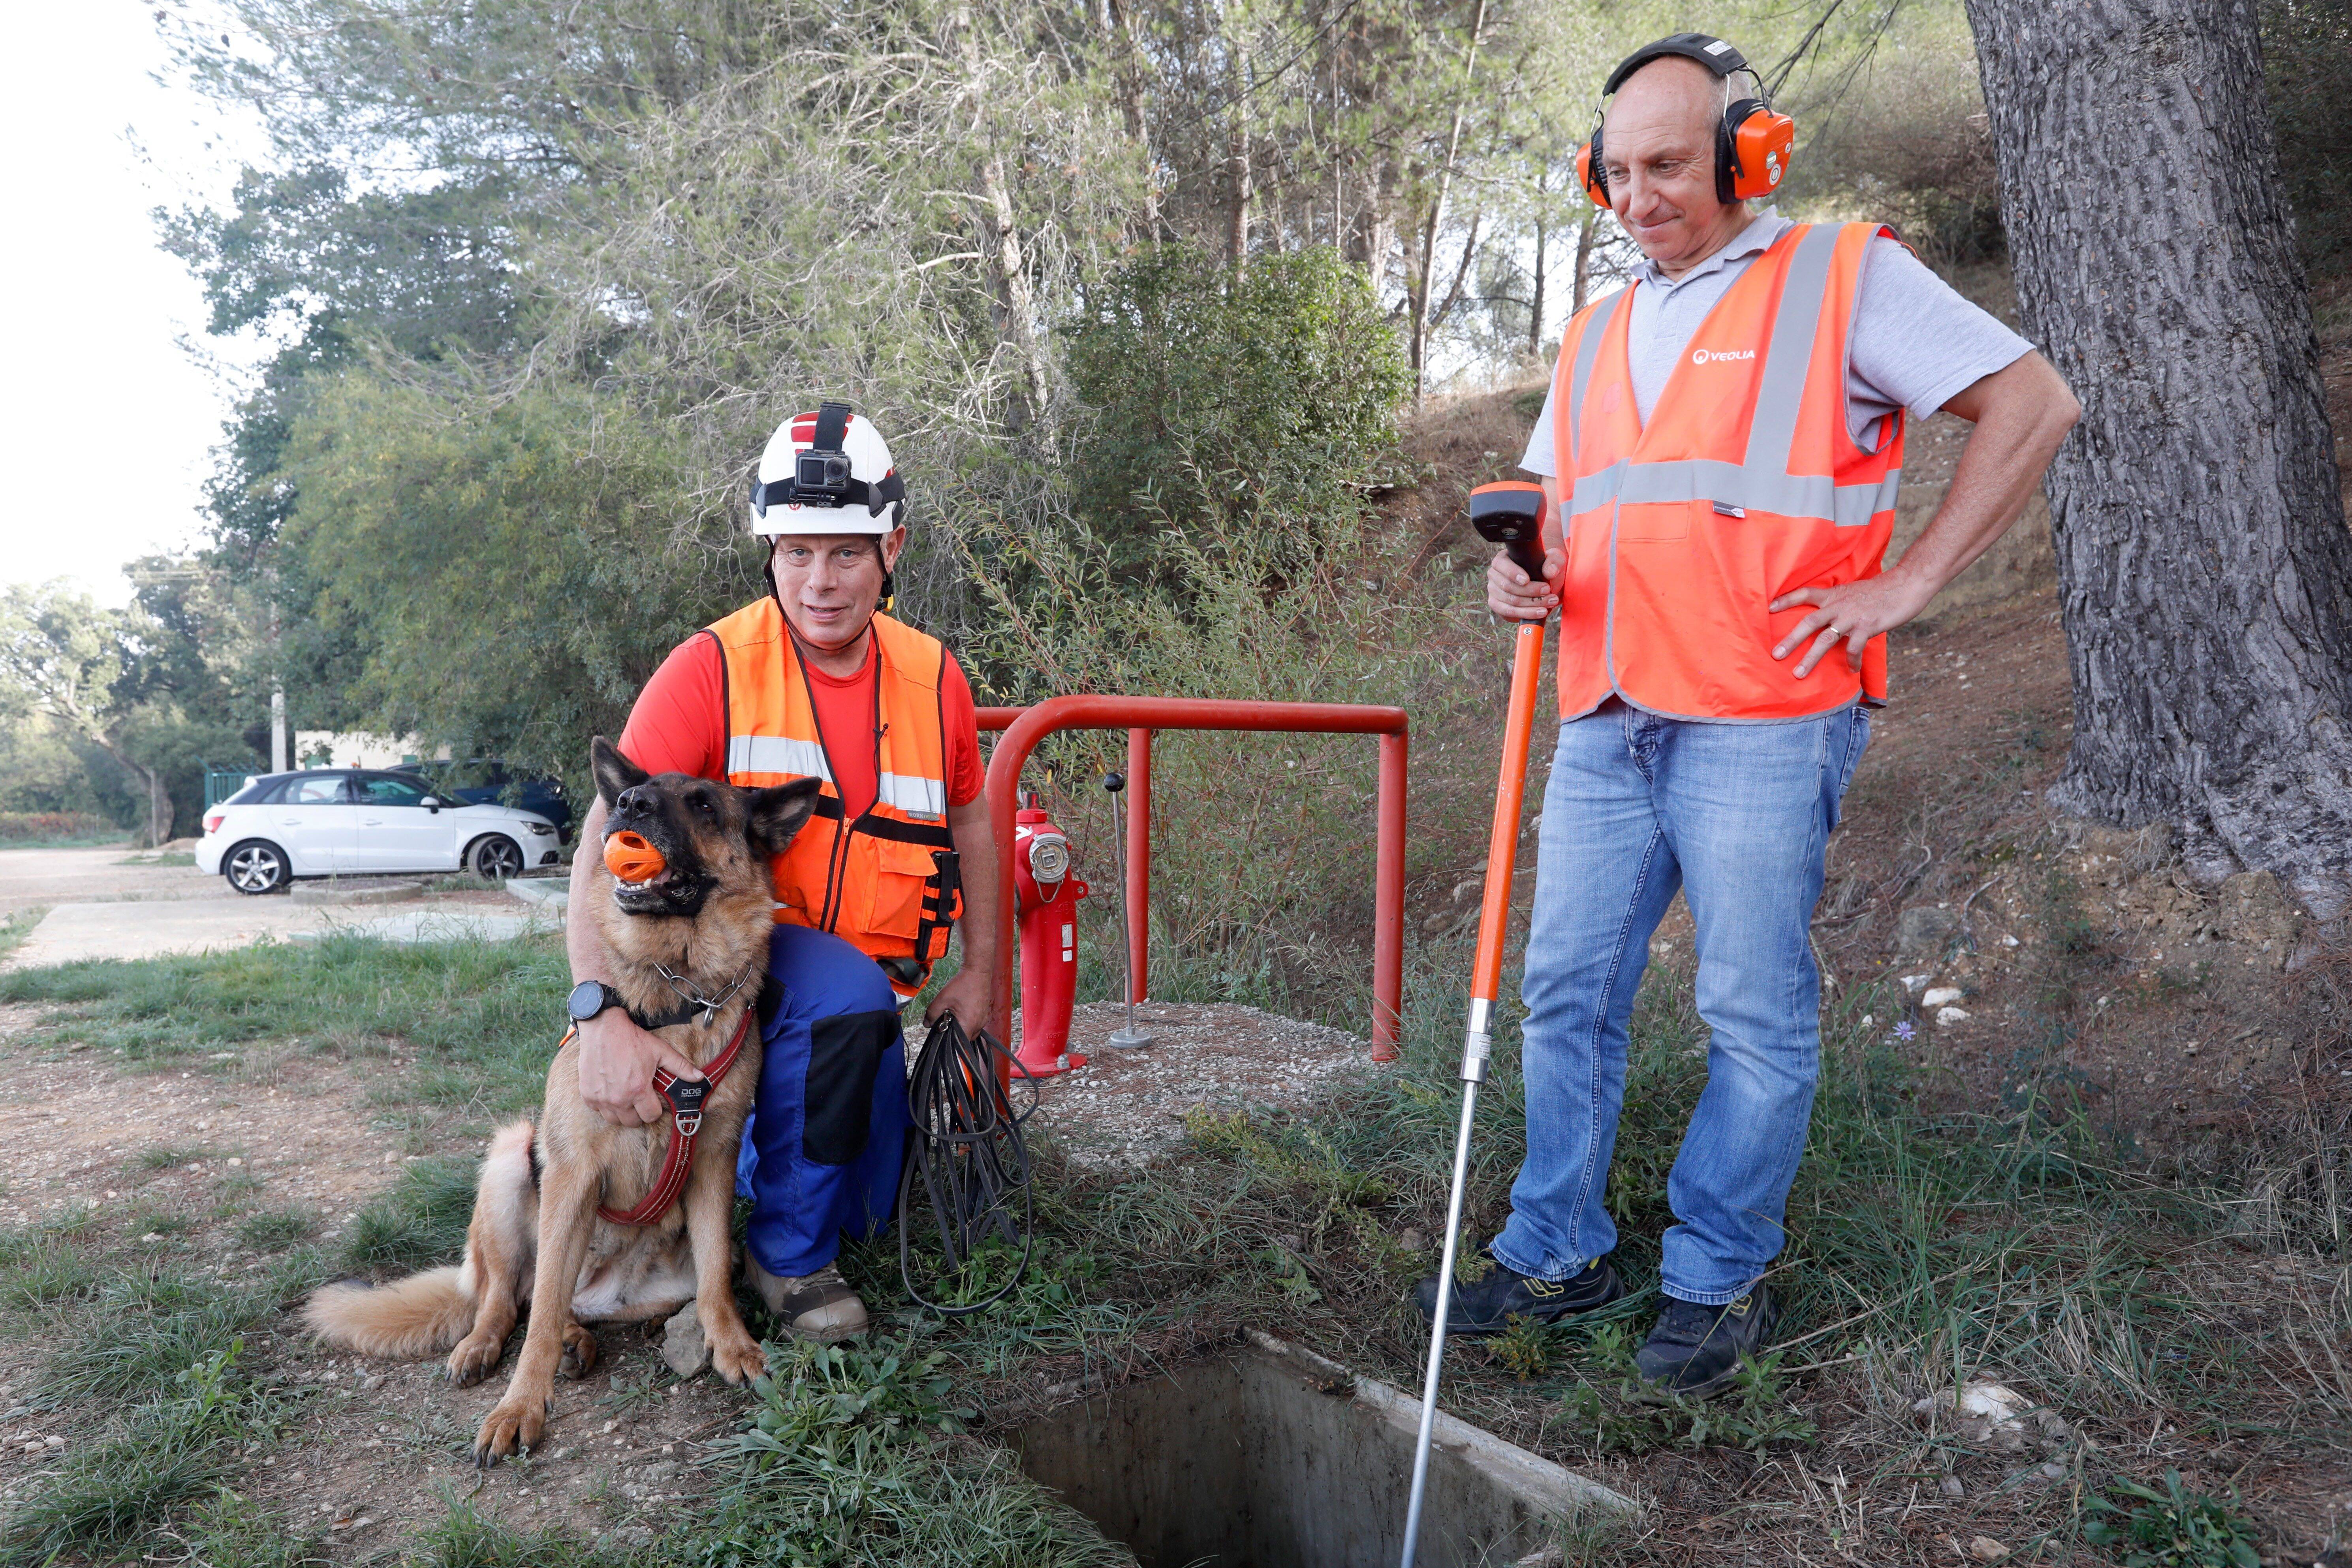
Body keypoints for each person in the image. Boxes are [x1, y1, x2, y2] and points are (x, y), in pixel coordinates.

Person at [1416, 35, 2079, 1394]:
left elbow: (2031, 401)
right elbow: (1554, 508)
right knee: (1563, 997)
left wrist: (1908, 584)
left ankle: (1714, 1279)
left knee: (1748, 1008)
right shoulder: (1598, 327)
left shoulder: (1841, 278)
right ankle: (1556, 1251)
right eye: (1615, 172)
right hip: (1603, 712)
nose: (1640, 195)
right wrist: (1514, 570)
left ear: (1744, 152)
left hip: (1764, 713)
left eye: (1667, 163)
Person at [563, 402, 996, 1342]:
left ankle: (763, 1185)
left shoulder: (934, 676)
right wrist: (594, 1010)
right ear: (768, 550)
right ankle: (785, 1262)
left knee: (871, 1210)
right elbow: (608, 832)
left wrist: (982, 972)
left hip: (867, 1004)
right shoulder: (710, 665)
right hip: (743, 968)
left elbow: (970, 818)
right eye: (797, 551)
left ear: (893, 548)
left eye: (846, 552)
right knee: (841, 1001)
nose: (821, 580)